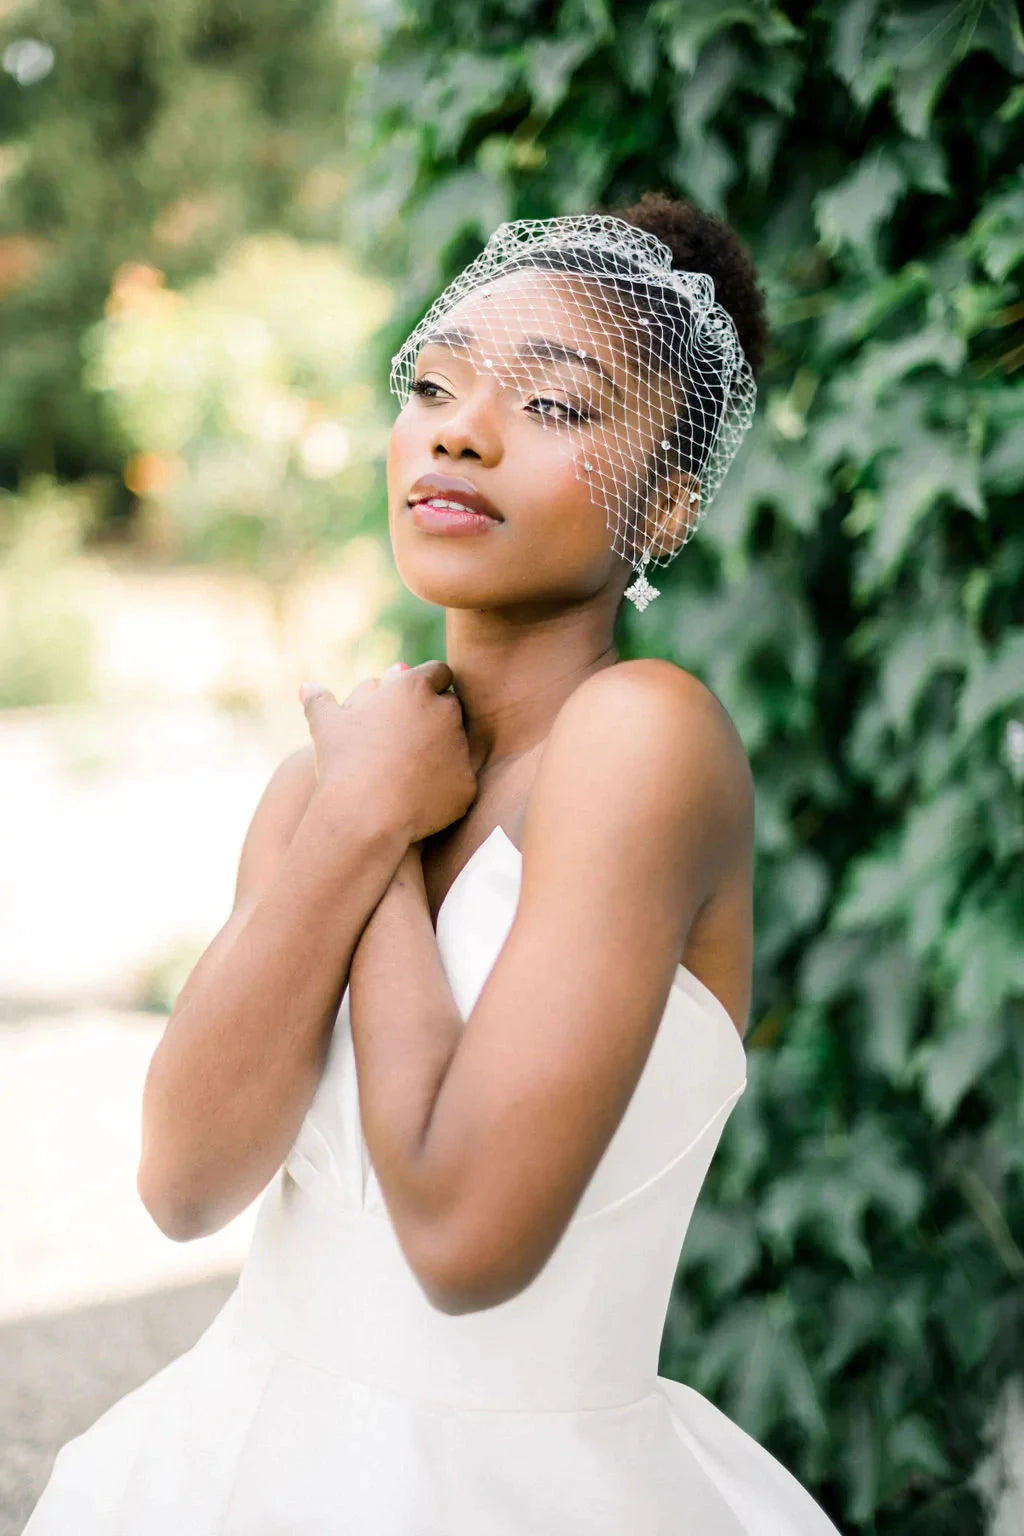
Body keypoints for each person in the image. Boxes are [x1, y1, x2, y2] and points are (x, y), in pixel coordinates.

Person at [24, 192, 842, 1533]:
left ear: (670, 501)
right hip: (226, 1468)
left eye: (558, 406)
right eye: (437, 381)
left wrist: (381, 844)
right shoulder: (329, 785)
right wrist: (353, 822)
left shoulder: (647, 742)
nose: (460, 427)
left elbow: (464, 1242)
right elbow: (185, 1182)